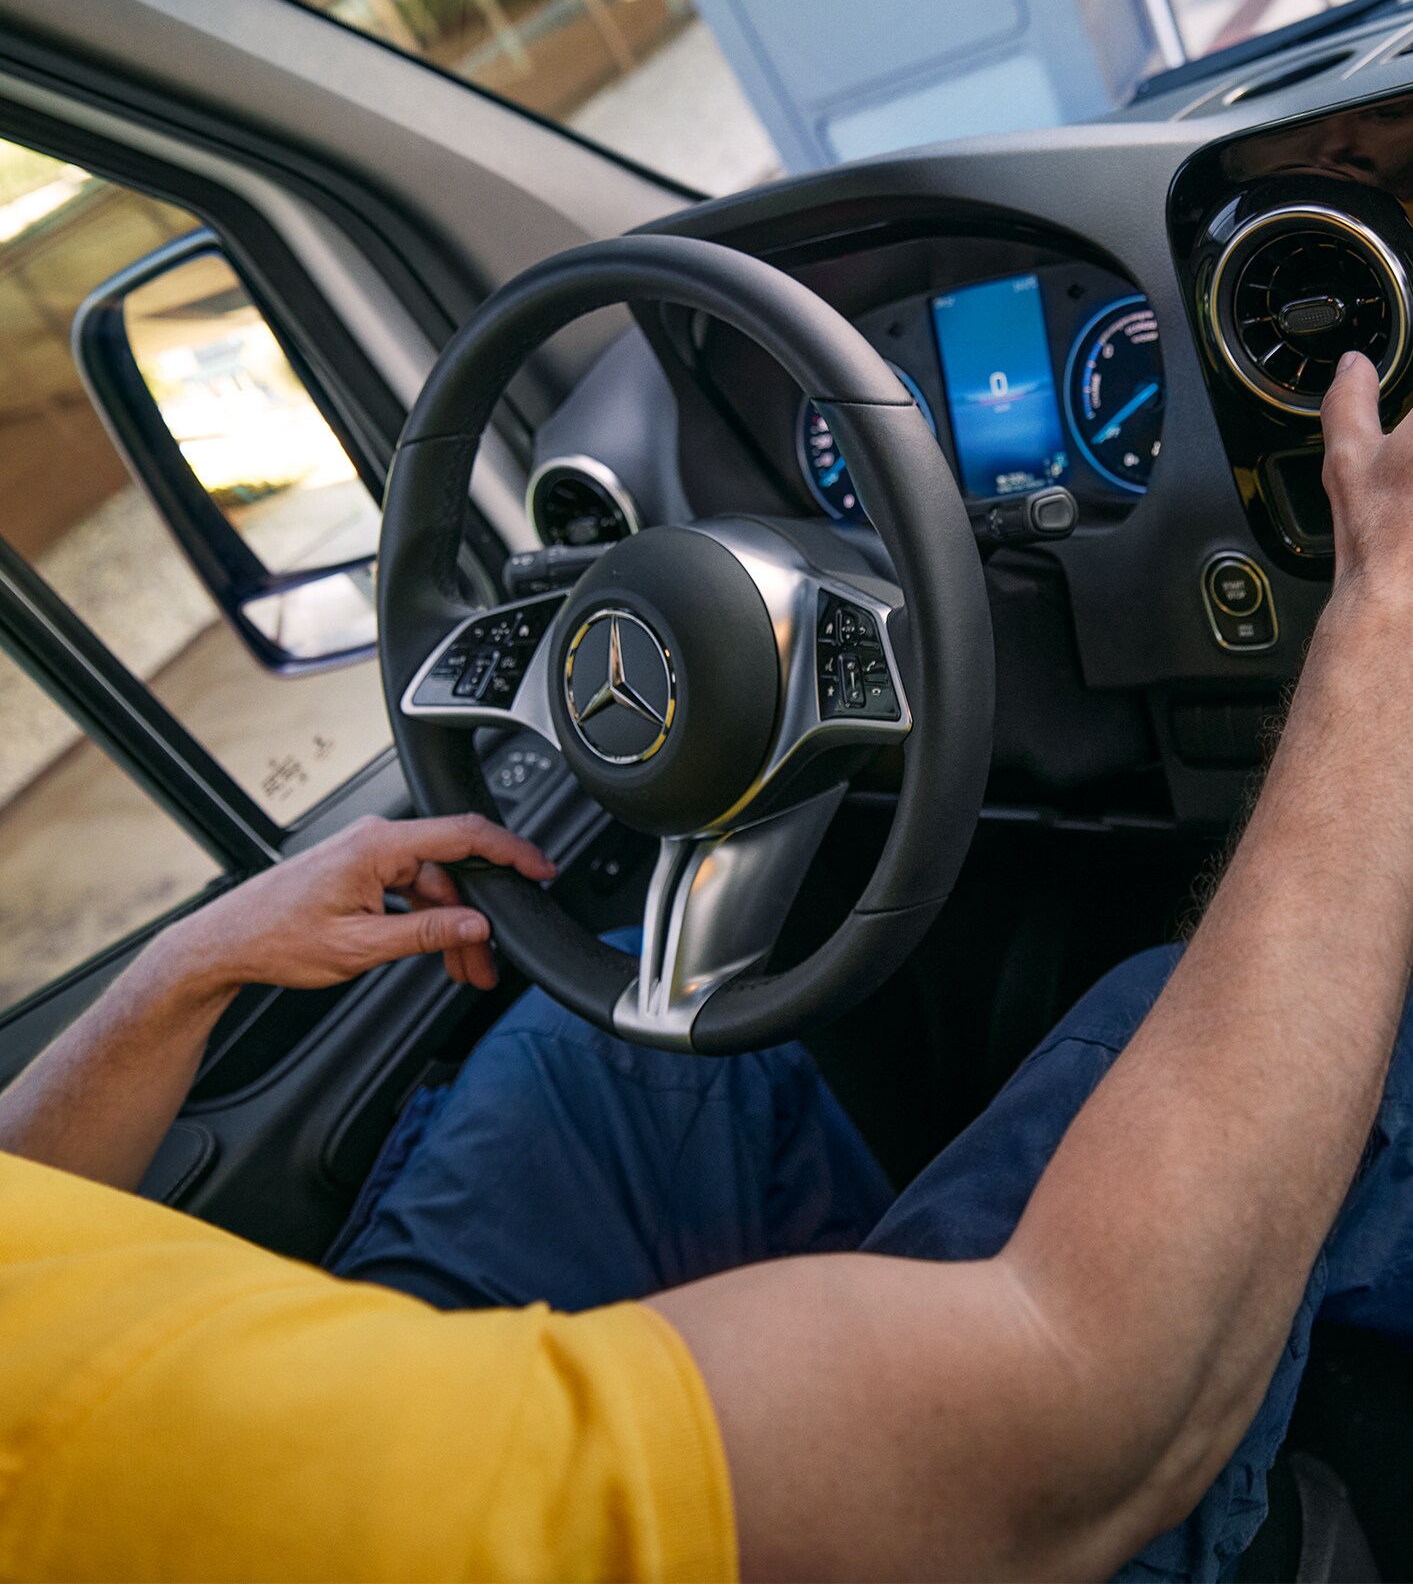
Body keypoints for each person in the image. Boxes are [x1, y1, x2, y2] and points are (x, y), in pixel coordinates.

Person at [2, 348, 1413, 1582]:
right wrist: (1376, 639)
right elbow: (1085, 1411)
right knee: (1188, 1012)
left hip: (262, 1382)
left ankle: (866, 1287)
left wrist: (175, 974)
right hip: (360, 1481)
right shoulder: (111, 1500)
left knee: (603, 1028)